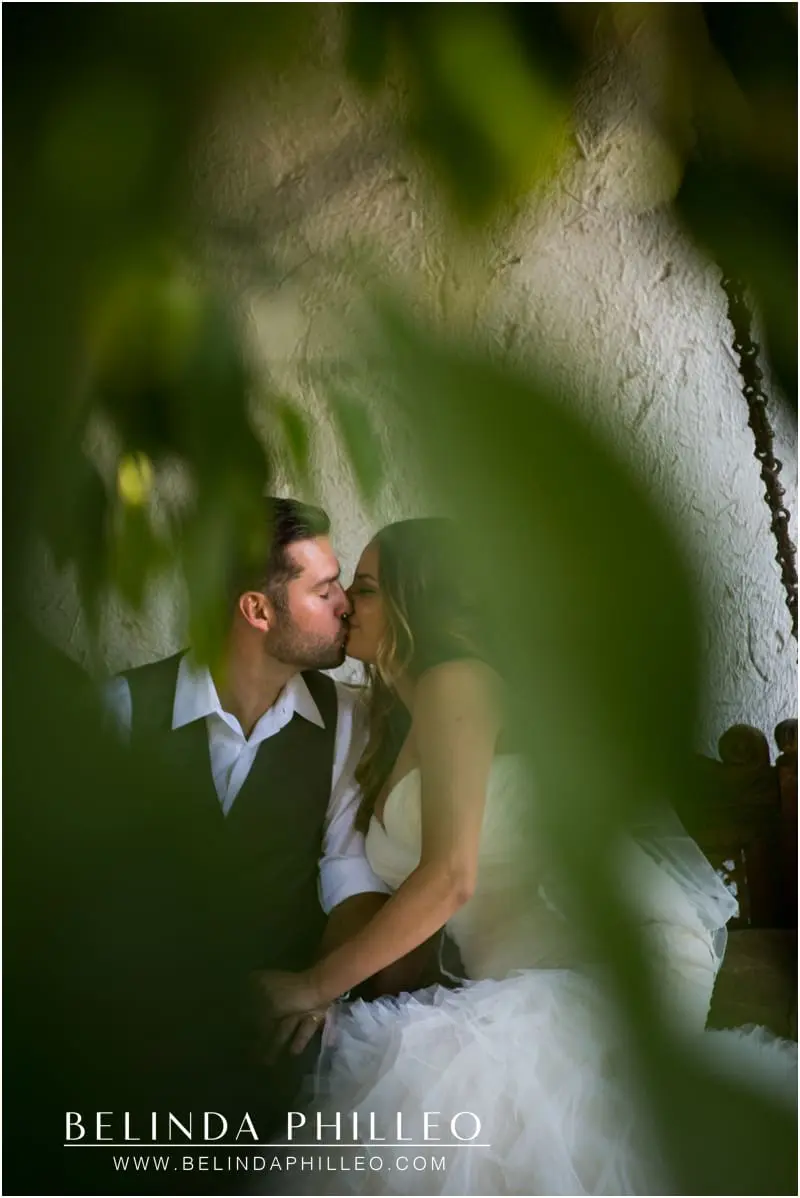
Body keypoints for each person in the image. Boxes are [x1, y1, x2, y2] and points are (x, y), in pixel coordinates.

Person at [261, 517, 797, 1196]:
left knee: (434, 1098)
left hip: (609, 964)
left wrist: (314, 985)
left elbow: (451, 878)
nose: (345, 604)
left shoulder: (459, 682)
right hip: (518, 973)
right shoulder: (395, 716)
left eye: (362, 589)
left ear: (412, 601)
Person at [101, 499, 441, 1176]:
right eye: (324, 589)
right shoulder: (117, 712)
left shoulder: (347, 723)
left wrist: (307, 998)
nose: (346, 603)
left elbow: (350, 877)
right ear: (258, 611)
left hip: (276, 1037)